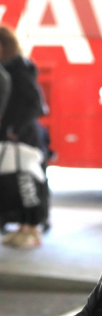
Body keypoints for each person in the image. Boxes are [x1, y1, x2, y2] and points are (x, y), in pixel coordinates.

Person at [0, 25, 46, 249]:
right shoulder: (11, 67)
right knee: (17, 183)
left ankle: (33, 229)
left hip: (24, 137)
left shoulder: (19, 70)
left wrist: (15, 128)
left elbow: (36, 105)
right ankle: (23, 227)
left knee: (27, 183)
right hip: (15, 135)